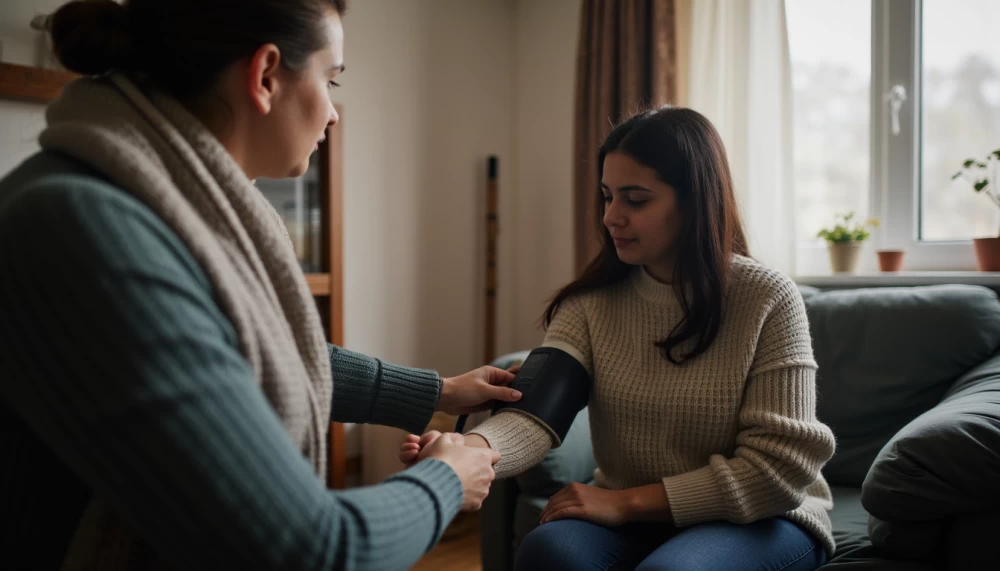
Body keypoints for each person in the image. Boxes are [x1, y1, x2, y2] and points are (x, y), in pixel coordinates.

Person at [0, 1, 520, 570]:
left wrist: (438, 392)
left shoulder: (161, 202)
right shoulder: (83, 227)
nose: (334, 113)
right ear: (266, 74)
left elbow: (249, 354)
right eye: (330, 79)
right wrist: (446, 479)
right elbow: (307, 550)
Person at [401, 107, 838, 570]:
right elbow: (533, 417)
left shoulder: (767, 298)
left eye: (636, 200)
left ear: (696, 201)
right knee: (547, 551)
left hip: (759, 518)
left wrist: (627, 503)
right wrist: (464, 452)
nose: (611, 217)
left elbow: (779, 470)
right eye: (607, 196)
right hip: (633, 516)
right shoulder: (589, 303)